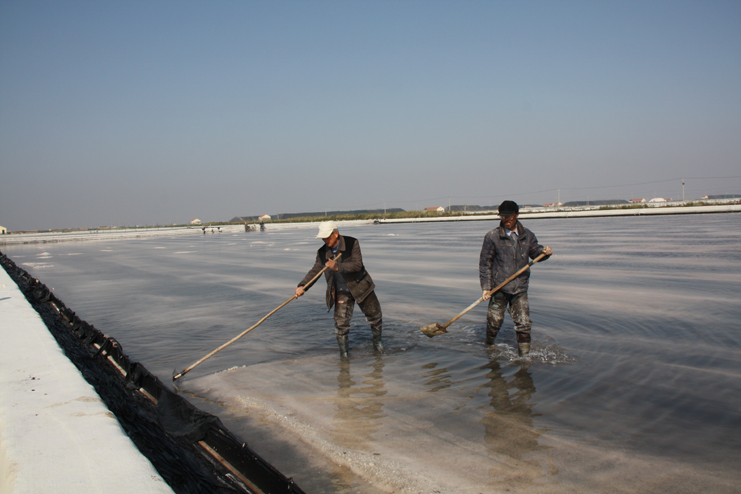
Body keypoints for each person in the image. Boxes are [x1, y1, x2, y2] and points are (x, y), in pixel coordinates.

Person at [295, 221, 383, 358]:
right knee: (341, 325)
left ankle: (377, 344)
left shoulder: (352, 243)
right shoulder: (322, 252)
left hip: (361, 287)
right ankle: (344, 355)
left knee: (375, 317)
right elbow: (315, 270)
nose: (325, 240)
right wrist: (303, 286)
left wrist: (337, 267)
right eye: (323, 238)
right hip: (341, 291)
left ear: (335, 234)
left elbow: (357, 265)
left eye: (327, 237)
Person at [479, 200, 552, 356]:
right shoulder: (492, 236)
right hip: (499, 287)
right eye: (503, 216)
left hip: (520, 287)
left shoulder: (527, 235)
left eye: (509, 216)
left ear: (517, 215)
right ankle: (489, 347)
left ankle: (524, 358)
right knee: (494, 322)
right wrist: (486, 288)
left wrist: (544, 253)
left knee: (524, 324)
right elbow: (485, 264)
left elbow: (536, 253)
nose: (506, 220)